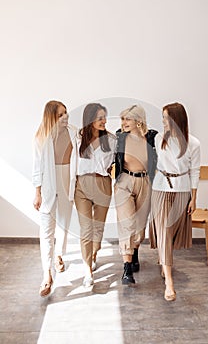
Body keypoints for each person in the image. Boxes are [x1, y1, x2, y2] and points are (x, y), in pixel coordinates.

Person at [149, 102, 200, 301]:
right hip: (160, 188)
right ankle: (169, 282)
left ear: (176, 120)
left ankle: (164, 260)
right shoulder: (158, 139)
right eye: (162, 117)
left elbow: (195, 171)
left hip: (182, 190)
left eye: (166, 118)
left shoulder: (193, 143)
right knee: (164, 230)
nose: (163, 122)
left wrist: (193, 198)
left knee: (171, 232)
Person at [32, 100, 77, 297]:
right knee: (46, 231)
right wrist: (38, 192)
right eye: (60, 114)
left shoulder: (74, 132)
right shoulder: (41, 136)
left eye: (66, 113)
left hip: (67, 182)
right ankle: (47, 274)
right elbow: (37, 167)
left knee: (64, 225)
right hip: (49, 184)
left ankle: (59, 254)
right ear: (51, 116)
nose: (65, 117)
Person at [114, 105, 158, 285]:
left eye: (127, 119)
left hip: (145, 182)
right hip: (124, 181)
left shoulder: (152, 138)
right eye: (122, 119)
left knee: (139, 227)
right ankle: (126, 269)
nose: (123, 123)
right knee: (127, 223)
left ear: (138, 120)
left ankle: (135, 251)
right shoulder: (119, 137)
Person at [74, 103, 116, 287]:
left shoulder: (112, 140)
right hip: (81, 185)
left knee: (98, 229)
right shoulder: (78, 138)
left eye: (104, 117)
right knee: (86, 229)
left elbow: (119, 163)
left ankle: (94, 253)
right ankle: (87, 271)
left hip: (103, 184)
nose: (103, 121)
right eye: (99, 117)